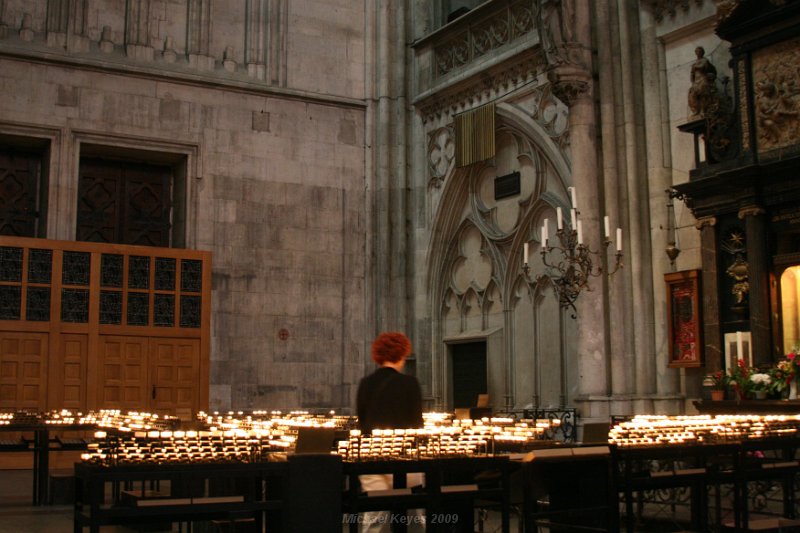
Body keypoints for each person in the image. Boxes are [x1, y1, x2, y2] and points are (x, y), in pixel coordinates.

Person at [356, 331, 425, 532]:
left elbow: (362, 421)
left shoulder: (365, 384)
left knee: (375, 517)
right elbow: (417, 423)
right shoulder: (410, 384)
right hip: (404, 456)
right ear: (402, 354)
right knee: (413, 515)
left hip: (372, 457)